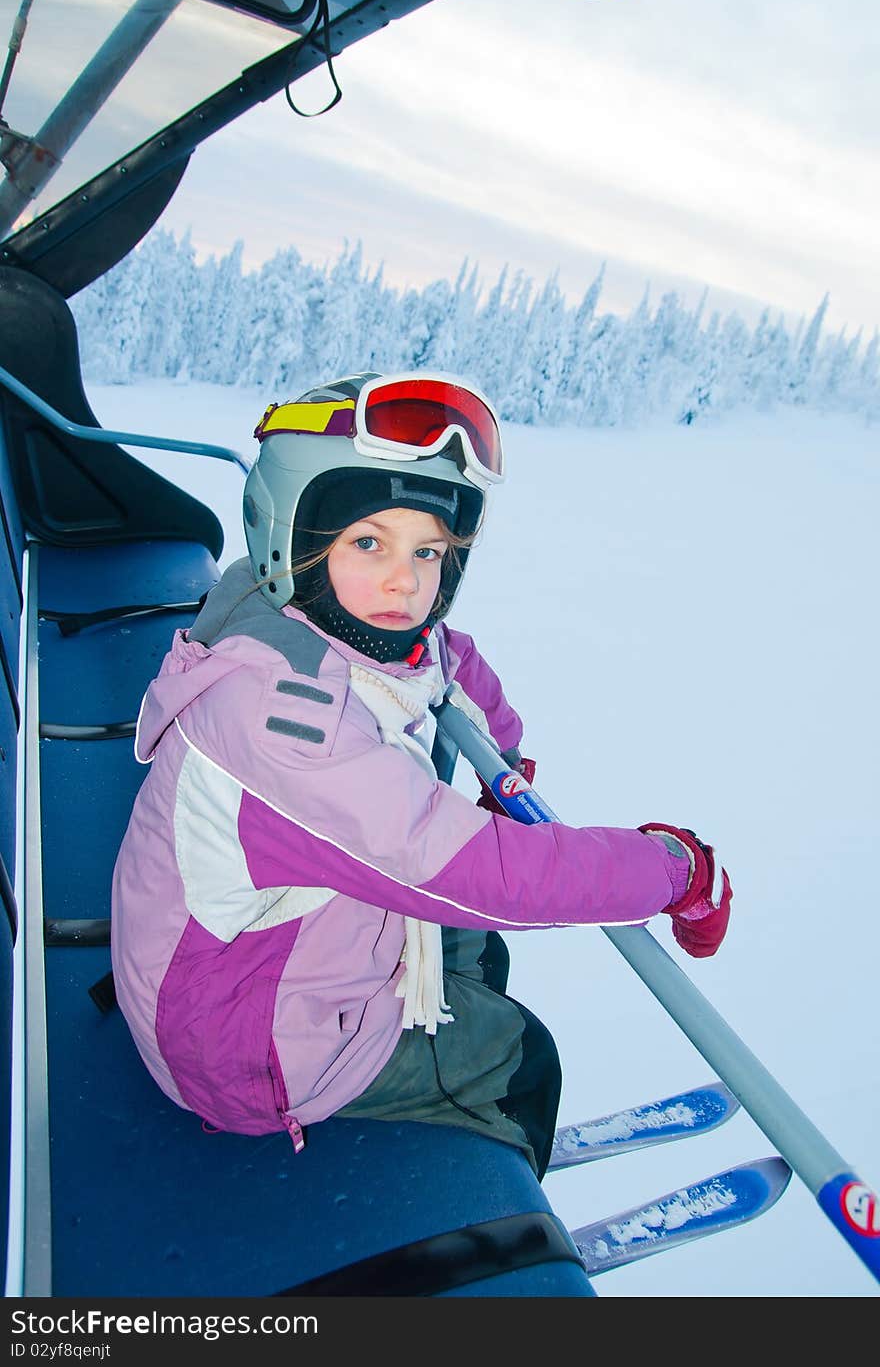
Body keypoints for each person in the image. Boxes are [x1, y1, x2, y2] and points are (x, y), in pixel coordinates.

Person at [111, 370, 732, 1182]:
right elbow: (489, 873)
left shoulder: (296, 612)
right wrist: (675, 871)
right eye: (369, 542)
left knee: (477, 941)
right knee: (520, 1052)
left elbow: (445, 659)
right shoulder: (285, 723)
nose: (405, 580)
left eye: (428, 550)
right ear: (292, 536)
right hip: (241, 1051)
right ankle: (498, 1221)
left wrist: (504, 763)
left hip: (239, 969)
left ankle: (445, 1032)